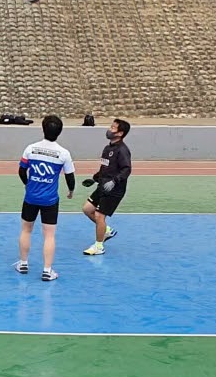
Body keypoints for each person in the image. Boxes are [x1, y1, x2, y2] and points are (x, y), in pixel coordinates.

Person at [16, 115, 75, 281]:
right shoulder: (64, 153)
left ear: (42, 128)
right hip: (50, 200)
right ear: (59, 132)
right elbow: (70, 176)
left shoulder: (31, 148)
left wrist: (27, 184)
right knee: (49, 235)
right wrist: (71, 190)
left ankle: (23, 263)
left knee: (26, 230)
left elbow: (21, 170)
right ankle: (47, 270)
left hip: (30, 197)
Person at [83, 119, 132, 256]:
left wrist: (114, 181)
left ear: (120, 133)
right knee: (87, 209)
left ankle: (99, 246)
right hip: (102, 185)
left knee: (99, 216)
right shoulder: (107, 148)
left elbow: (126, 169)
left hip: (114, 189)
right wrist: (95, 178)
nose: (109, 129)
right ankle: (107, 230)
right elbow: (105, 167)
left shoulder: (122, 150)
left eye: (113, 128)